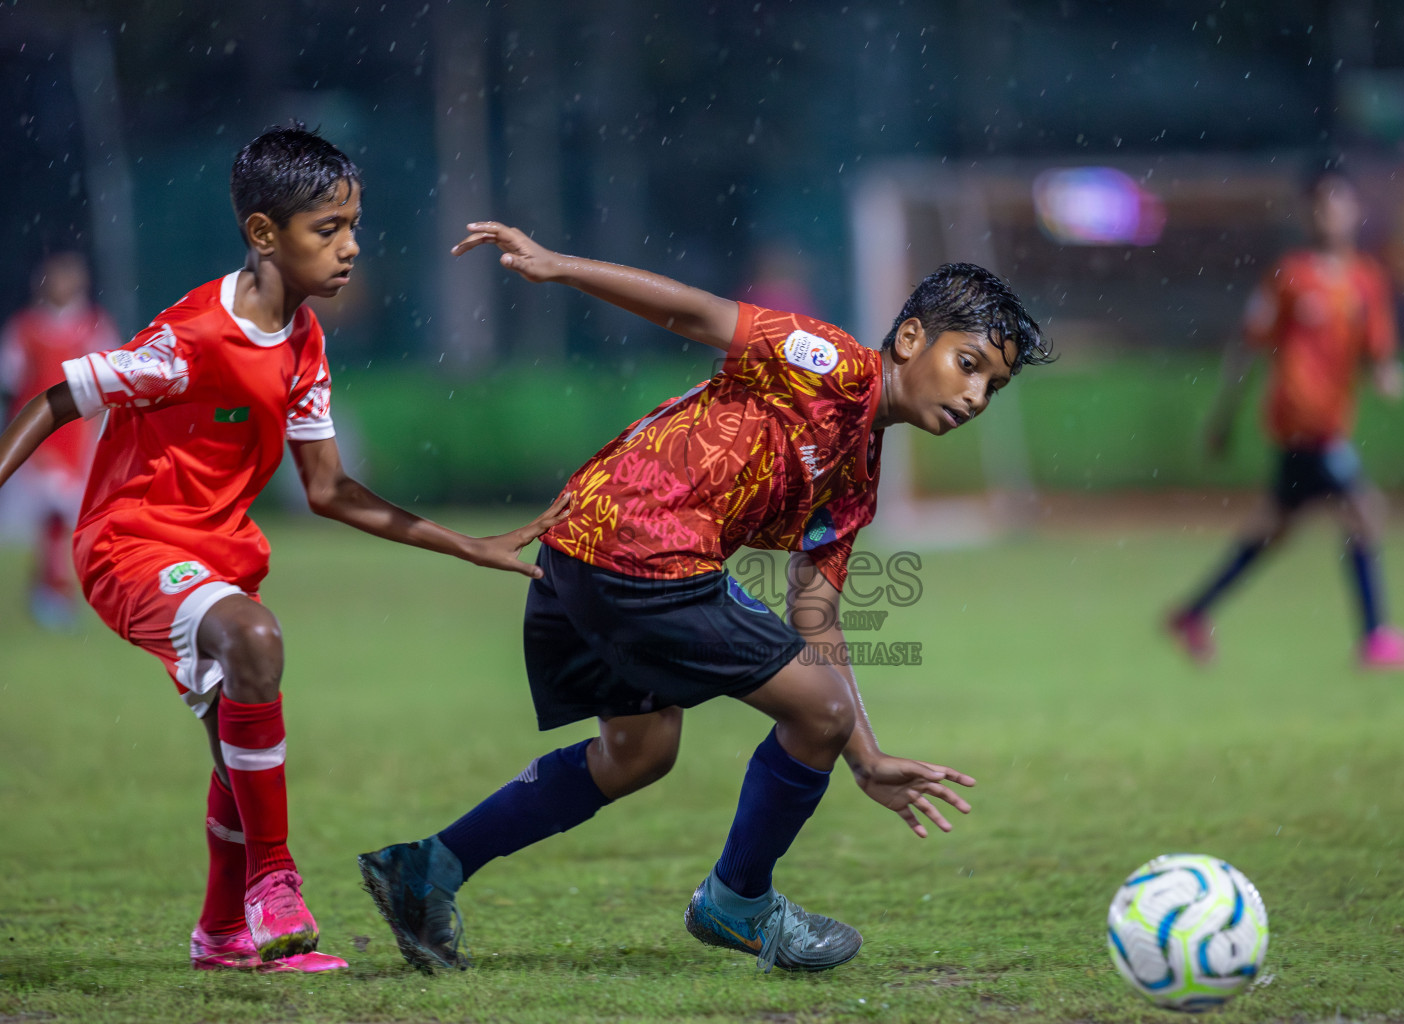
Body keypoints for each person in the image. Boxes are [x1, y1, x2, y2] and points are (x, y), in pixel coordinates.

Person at [358, 221, 1052, 975]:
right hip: (641, 548)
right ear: (912, 337)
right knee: (815, 710)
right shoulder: (831, 362)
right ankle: (737, 901)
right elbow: (696, 313)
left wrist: (864, 756)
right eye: (969, 364)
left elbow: (814, 610)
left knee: (638, 752)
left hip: (582, 547)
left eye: (994, 384)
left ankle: (427, 868)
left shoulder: (857, 477)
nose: (977, 394)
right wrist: (558, 267)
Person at [0, 128, 570, 974]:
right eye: (328, 229)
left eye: (353, 225)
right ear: (265, 234)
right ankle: (275, 881)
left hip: (221, 557)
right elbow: (58, 396)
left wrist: (469, 547)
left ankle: (224, 934)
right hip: (128, 547)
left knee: (237, 756)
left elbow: (330, 490)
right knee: (256, 640)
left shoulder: (304, 343)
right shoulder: (190, 340)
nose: (350, 248)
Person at [1166, 165, 1404, 670]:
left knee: (1273, 529)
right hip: (1302, 423)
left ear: (1354, 209)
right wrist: (1224, 417)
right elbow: (1247, 347)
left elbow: (1378, 353)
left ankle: (1193, 613)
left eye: (1336, 203)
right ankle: (1375, 639)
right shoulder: (1289, 276)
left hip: (1332, 421)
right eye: (1318, 205)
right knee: (1365, 513)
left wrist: (1388, 375)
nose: (1327, 214)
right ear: (1306, 214)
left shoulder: (1366, 280)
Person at [0, 251, 120, 629]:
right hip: (38, 437)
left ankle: (56, 590)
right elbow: (11, 379)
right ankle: (52, 591)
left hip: (77, 437)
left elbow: (111, 375)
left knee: (68, 519)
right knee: (48, 517)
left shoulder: (92, 326)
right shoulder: (25, 328)